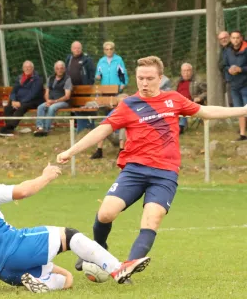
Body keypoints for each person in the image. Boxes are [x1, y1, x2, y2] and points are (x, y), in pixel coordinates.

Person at [56, 56, 247, 273]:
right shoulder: (128, 105)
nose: (144, 83)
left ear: (160, 78)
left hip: (165, 173)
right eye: (140, 78)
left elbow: (206, 112)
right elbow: (102, 130)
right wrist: (71, 151)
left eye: (149, 78)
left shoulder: (174, 99)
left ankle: (126, 267)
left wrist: (243, 110)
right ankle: (98, 247)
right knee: (105, 214)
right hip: (135, 170)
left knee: (152, 219)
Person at [0, 154, 151, 293]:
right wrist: (46, 175)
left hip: (2, 272)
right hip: (15, 247)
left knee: (67, 279)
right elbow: (24, 191)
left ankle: (42, 283)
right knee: (71, 235)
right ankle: (117, 269)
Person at [0, 61, 43, 137]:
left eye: (29, 67)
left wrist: (20, 103)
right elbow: (13, 91)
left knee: (22, 108)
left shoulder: (37, 79)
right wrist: (14, 100)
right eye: (25, 67)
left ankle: (8, 128)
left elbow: (32, 94)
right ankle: (10, 130)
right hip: (18, 101)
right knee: (7, 108)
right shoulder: (19, 78)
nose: (27, 69)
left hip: (33, 101)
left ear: (32, 68)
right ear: (23, 68)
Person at [34, 61, 72, 137]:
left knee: (51, 108)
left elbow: (67, 96)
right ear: (55, 69)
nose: (59, 70)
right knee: (40, 107)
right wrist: (47, 100)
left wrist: (54, 101)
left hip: (63, 101)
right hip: (51, 100)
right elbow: (46, 93)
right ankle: (40, 127)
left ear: (64, 69)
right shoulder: (50, 78)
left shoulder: (67, 79)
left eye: (61, 68)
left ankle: (46, 129)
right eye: (57, 68)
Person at [223, 31, 247, 141]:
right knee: (239, 110)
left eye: (237, 38)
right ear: (230, 39)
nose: (235, 40)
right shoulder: (227, 51)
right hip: (234, 85)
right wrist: (229, 70)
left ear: (241, 38)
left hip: (245, 84)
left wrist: (241, 69)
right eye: (233, 38)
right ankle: (242, 134)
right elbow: (224, 65)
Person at [90, 94, 129, 159]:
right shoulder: (114, 111)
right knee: (103, 127)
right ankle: (99, 151)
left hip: (127, 138)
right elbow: (104, 122)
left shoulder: (132, 112)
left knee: (123, 127)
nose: (123, 104)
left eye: (125, 102)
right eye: (121, 102)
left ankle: (121, 151)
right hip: (114, 135)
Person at [174, 63, 207, 134]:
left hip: (191, 102)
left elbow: (207, 92)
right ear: (181, 72)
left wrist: (199, 97)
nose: (186, 73)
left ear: (191, 71)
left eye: (188, 70)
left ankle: (181, 127)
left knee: (183, 106)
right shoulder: (177, 81)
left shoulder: (198, 81)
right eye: (184, 71)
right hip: (177, 102)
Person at [218, 31, 232, 106]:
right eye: (221, 39)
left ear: (229, 37)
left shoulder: (234, 47)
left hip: (238, 80)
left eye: (225, 38)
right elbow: (220, 64)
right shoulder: (223, 49)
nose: (223, 40)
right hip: (228, 80)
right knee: (231, 103)